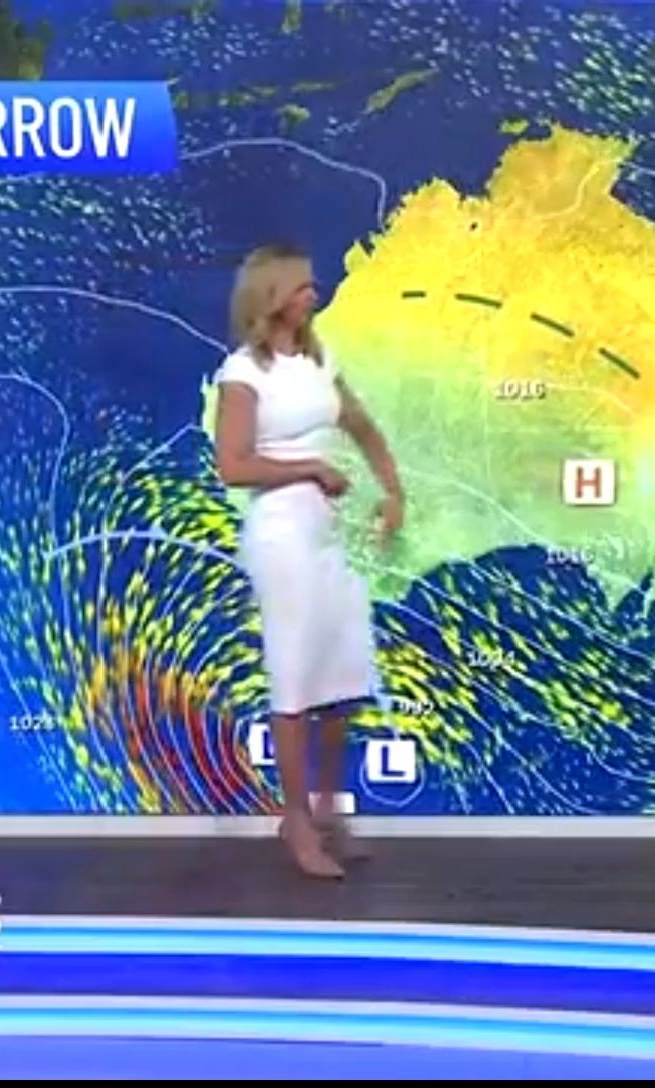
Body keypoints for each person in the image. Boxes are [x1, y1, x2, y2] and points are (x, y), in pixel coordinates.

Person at [212, 243, 404, 880]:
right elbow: (233, 464)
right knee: (294, 676)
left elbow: (364, 427)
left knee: (340, 675)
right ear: (271, 296)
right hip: (281, 537)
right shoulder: (244, 373)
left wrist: (392, 491)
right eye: (301, 287)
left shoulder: (320, 362)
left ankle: (326, 809)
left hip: (328, 537)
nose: (313, 294)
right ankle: (293, 819)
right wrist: (310, 469)